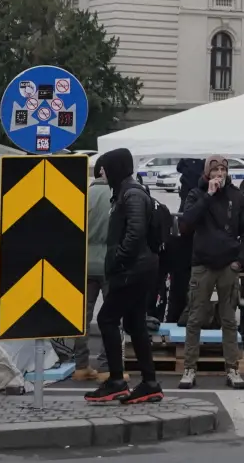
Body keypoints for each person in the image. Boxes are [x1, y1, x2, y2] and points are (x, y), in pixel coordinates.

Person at [85, 148, 164, 404]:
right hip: (141, 268)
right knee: (135, 324)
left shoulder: (131, 194)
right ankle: (150, 383)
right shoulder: (129, 191)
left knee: (106, 318)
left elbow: (135, 232)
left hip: (132, 270)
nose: (102, 173)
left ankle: (117, 381)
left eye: (105, 168)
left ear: (116, 168)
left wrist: (118, 259)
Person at [176, 154, 244, 390]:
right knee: (195, 317)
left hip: (228, 265)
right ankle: (189, 368)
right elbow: (186, 223)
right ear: (207, 173)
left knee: (229, 319)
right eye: (215, 170)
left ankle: (232, 369)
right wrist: (208, 195)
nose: (220, 174)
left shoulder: (236, 196)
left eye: (223, 170)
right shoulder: (196, 194)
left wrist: (241, 259)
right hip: (202, 264)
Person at [80, 167, 114, 376]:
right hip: (109, 264)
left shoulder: (83, 195)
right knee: (110, 316)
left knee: (82, 317)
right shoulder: (116, 195)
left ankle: (81, 366)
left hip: (84, 262)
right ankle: (106, 366)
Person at [161, 159, 204, 324]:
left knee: (180, 289)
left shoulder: (190, 185)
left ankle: (175, 319)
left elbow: (186, 217)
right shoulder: (197, 185)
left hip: (186, 245)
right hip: (193, 247)